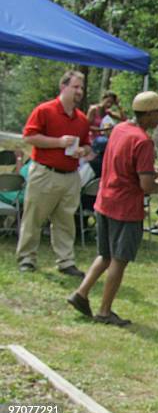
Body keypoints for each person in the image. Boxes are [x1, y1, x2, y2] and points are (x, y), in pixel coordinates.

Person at [67, 91, 158, 326]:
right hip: (126, 207)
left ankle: (80, 294)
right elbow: (145, 184)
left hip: (105, 200)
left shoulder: (120, 128)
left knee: (104, 255)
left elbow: (123, 163)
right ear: (149, 113)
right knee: (119, 260)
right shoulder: (144, 141)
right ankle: (104, 311)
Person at [16, 70, 91, 277]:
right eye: (75, 87)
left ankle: (66, 261)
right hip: (44, 172)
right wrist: (58, 143)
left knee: (66, 220)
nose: (79, 92)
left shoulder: (82, 120)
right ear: (63, 87)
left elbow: (88, 147)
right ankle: (27, 259)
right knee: (34, 218)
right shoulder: (45, 110)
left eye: (81, 88)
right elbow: (29, 137)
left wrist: (82, 151)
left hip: (70, 175)